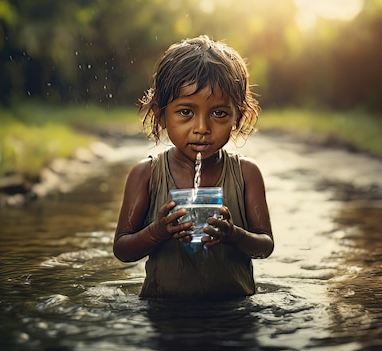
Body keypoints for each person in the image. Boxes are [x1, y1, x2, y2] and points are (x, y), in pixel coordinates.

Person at [113, 35, 274, 299]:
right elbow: (122, 250)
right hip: (164, 315)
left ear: (238, 116)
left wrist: (233, 235)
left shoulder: (246, 174)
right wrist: (158, 231)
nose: (202, 129)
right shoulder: (146, 175)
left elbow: (265, 246)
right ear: (160, 115)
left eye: (219, 113)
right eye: (186, 112)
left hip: (232, 317)